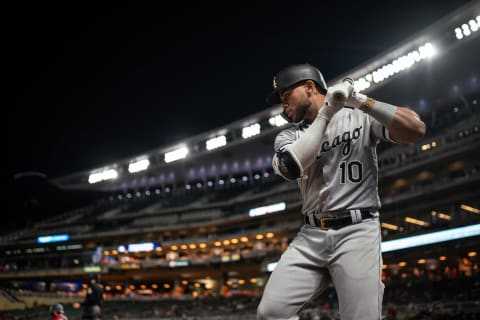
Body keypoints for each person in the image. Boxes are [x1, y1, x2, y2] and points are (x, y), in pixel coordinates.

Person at [257, 63, 426, 320]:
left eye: (286, 95)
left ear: (310, 87)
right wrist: (327, 112)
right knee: (270, 312)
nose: (283, 105)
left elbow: (415, 129)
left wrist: (360, 100)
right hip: (311, 236)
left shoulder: (359, 115)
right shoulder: (288, 136)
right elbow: (291, 167)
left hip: (357, 232)